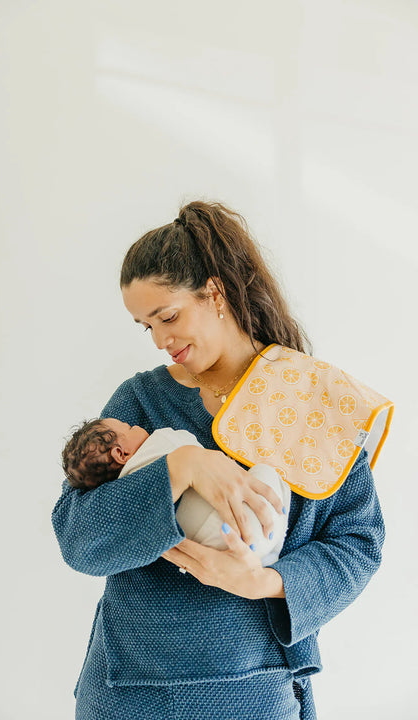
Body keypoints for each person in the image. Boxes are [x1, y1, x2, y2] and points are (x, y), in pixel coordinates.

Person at [51, 200, 385, 720]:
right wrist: (180, 466)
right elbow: (78, 538)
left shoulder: (312, 399)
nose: (161, 340)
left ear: (215, 292)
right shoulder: (138, 405)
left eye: (168, 316)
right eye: (146, 326)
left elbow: (357, 543)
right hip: (131, 691)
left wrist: (266, 583)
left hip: (255, 689)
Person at [60, 417, 291, 564]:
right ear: (121, 454)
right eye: (129, 427)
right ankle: (272, 546)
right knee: (266, 470)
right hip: (254, 523)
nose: (137, 425)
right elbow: (188, 441)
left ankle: (267, 554)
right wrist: (185, 461)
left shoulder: (122, 490)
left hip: (215, 545)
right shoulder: (158, 440)